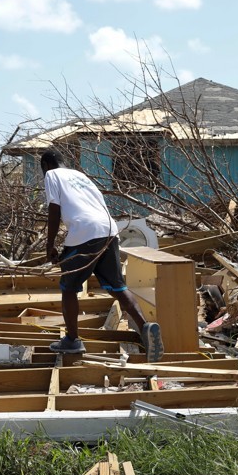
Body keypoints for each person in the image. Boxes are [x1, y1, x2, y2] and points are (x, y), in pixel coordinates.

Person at [41, 149, 164, 361]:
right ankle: (146, 327)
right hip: (109, 230)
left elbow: (54, 208)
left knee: (68, 288)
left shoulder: (52, 175)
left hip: (86, 232)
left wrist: (50, 244)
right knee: (118, 286)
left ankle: (72, 339)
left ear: (46, 166)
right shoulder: (82, 177)